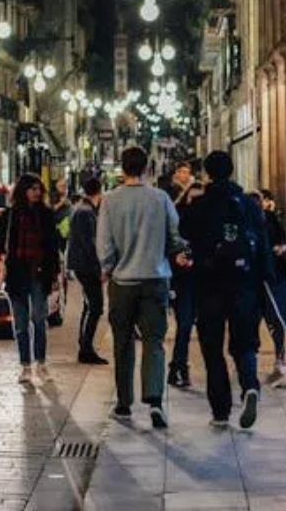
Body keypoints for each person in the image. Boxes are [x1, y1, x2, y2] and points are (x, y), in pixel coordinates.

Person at [96, 145, 189, 429]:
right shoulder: (160, 198)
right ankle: (155, 401)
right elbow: (176, 235)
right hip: (155, 279)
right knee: (155, 342)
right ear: (147, 168)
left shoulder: (110, 201)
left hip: (123, 282)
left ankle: (124, 404)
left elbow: (104, 242)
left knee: (122, 343)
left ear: (123, 169)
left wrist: (108, 266)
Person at [183, 151, 274, 429]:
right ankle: (249, 386)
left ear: (208, 173)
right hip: (244, 284)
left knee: (212, 349)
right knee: (244, 343)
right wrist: (266, 280)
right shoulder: (248, 204)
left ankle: (220, 411)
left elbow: (185, 236)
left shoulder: (200, 205)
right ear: (232, 171)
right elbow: (263, 244)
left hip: (210, 285)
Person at [0, 173, 61, 383]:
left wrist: (54, 274)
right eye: (32, 188)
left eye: (38, 189)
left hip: (39, 274)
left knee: (39, 319)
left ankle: (41, 362)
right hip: (17, 274)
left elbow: (53, 246)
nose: (36, 192)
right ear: (23, 190)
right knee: (21, 324)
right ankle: (25, 365)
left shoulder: (46, 214)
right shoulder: (11, 214)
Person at [165, 159, 202, 388]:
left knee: (191, 323)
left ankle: (179, 366)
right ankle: (179, 366)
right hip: (182, 278)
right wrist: (174, 258)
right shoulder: (175, 213)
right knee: (185, 323)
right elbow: (166, 240)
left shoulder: (203, 218)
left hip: (200, 277)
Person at [65, 175, 108, 365]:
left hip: (82, 264)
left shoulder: (81, 209)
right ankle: (86, 347)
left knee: (89, 304)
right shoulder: (86, 212)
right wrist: (100, 267)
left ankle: (85, 344)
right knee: (96, 306)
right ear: (99, 192)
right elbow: (90, 243)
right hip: (87, 266)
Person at [253, 189, 286, 387]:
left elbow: (283, 243)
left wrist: (278, 250)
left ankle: (280, 360)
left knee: (278, 320)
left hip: (275, 276)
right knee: (256, 321)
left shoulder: (269, 219)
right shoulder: (248, 222)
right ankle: (252, 363)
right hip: (258, 279)